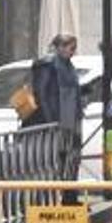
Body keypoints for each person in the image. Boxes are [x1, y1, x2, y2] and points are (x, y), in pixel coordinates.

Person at [25, 34, 83, 183]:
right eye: (70, 48)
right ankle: (59, 194)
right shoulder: (47, 65)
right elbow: (42, 94)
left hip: (70, 120)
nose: (72, 52)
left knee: (71, 158)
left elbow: (73, 91)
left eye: (74, 48)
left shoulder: (69, 66)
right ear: (59, 47)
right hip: (56, 121)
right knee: (54, 159)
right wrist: (50, 119)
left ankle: (70, 194)